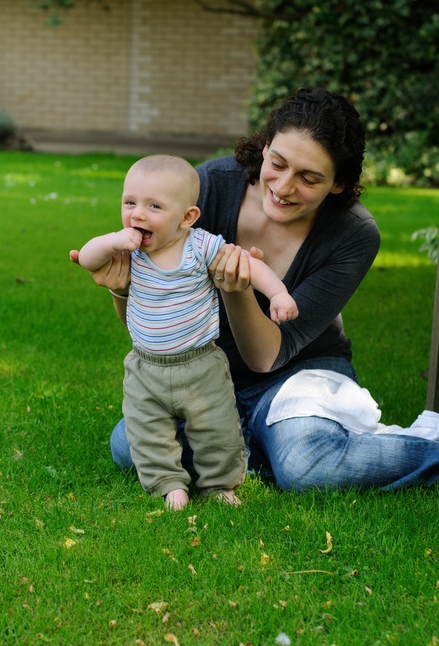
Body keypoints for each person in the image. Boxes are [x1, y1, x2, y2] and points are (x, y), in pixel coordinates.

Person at [74, 87, 439, 492]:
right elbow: (152, 328)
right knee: (129, 446)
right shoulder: (207, 187)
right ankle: (262, 443)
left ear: (337, 183)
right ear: (264, 148)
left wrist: (237, 291)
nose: (283, 186)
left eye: (308, 178)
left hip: (296, 373)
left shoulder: (353, 234)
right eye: (277, 163)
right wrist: (122, 290)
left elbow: (266, 357)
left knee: (305, 467)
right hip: (202, 374)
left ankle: (419, 447)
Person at [72, 154, 298, 509]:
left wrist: (278, 294)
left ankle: (220, 485)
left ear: (187, 217)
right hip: (146, 368)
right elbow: (87, 258)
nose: (137, 214)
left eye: (154, 206)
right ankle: (169, 484)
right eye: (130, 203)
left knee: (216, 429)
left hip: (200, 365)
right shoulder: (129, 251)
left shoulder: (200, 246)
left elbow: (249, 265)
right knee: (147, 432)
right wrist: (112, 242)